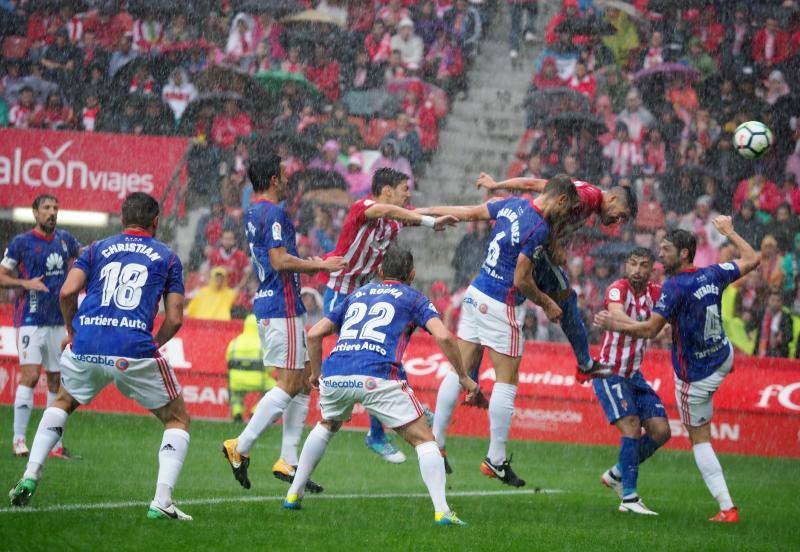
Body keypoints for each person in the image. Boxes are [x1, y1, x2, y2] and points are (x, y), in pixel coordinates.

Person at [8, 192, 193, 520]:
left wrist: (73, 330)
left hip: (88, 343)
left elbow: (67, 291)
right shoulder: (167, 256)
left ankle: (29, 475)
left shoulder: (97, 248)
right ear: (155, 222)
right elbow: (175, 317)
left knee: (63, 401)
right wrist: (153, 344)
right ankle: (161, 501)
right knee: (177, 419)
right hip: (132, 348)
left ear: (122, 221)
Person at [282, 246, 479, 527]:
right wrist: (463, 376)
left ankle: (293, 494)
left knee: (326, 424)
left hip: (337, 371)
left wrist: (316, 373)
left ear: (380, 272)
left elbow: (314, 334)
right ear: (412, 274)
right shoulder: (414, 297)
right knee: (424, 439)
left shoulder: (356, 294)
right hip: (378, 374)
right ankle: (443, 512)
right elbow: (445, 336)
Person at [595, 217, 761, 523]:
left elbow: (647, 331)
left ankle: (727, 508)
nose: (660, 255)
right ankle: (620, 474)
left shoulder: (670, 288)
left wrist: (612, 323)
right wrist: (730, 233)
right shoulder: (712, 273)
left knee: (699, 439)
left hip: (695, 376)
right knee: (659, 430)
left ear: (684, 253)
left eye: (666, 249)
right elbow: (752, 258)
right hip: (722, 357)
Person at [418, 175, 580, 485]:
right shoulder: (538, 227)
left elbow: (468, 212)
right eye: (567, 209)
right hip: (502, 303)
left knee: (460, 371)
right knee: (507, 381)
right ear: (560, 200)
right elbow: (521, 280)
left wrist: (423, 213)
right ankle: (496, 458)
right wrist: (546, 303)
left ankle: (437, 441)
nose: (566, 215)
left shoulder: (513, 204)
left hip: (477, 292)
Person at [221, 154, 347, 493]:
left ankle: (288, 460)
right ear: (274, 180)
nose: (288, 179)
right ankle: (241, 445)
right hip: (282, 304)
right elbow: (278, 260)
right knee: (290, 383)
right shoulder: (273, 212)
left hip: (271, 302)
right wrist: (319, 264)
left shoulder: (253, 212)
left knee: (304, 381)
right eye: (283, 174)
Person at [323, 167, 457, 463]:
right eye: (403, 189)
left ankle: (379, 431)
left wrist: (450, 216)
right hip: (341, 292)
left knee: (378, 359)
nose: (408, 194)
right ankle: (386, 428)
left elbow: (419, 210)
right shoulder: (365, 207)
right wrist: (427, 221)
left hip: (366, 296)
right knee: (368, 361)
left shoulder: (391, 225)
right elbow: (393, 211)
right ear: (386, 190)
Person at [474, 172, 636, 377]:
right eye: (621, 214)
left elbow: (535, 183)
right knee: (564, 299)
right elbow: (545, 214)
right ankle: (585, 365)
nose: (618, 221)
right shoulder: (589, 198)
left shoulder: (585, 193)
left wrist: (497, 184)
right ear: (612, 198)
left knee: (502, 301)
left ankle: (469, 372)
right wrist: (554, 244)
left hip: (518, 239)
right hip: (530, 244)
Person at [591, 248, 670, 516]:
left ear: (651, 270)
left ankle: (616, 473)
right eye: (633, 264)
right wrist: (648, 327)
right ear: (627, 265)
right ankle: (629, 497)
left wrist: (659, 327)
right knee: (633, 427)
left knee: (661, 431)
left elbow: (662, 324)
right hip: (609, 371)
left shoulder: (656, 293)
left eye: (643, 265)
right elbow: (615, 314)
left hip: (634, 375)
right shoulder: (618, 289)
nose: (637, 269)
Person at [0, 194, 80, 459]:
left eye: (55, 207)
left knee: (58, 380)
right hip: (30, 320)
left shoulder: (65, 240)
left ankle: (53, 445)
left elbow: (87, 257)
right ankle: (19, 439)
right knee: (31, 376)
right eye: (46, 208)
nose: (52, 212)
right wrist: (26, 284)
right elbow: (2, 276)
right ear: (35, 213)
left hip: (58, 320)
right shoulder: (21, 242)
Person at [227, 314, 276, 422]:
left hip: (236, 381)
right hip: (258, 381)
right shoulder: (264, 344)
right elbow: (269, 368)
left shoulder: (234, 342)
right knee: (276, 390)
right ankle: (256, 411)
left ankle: (237, 412)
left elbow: (228, 362)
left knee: (236, 393)